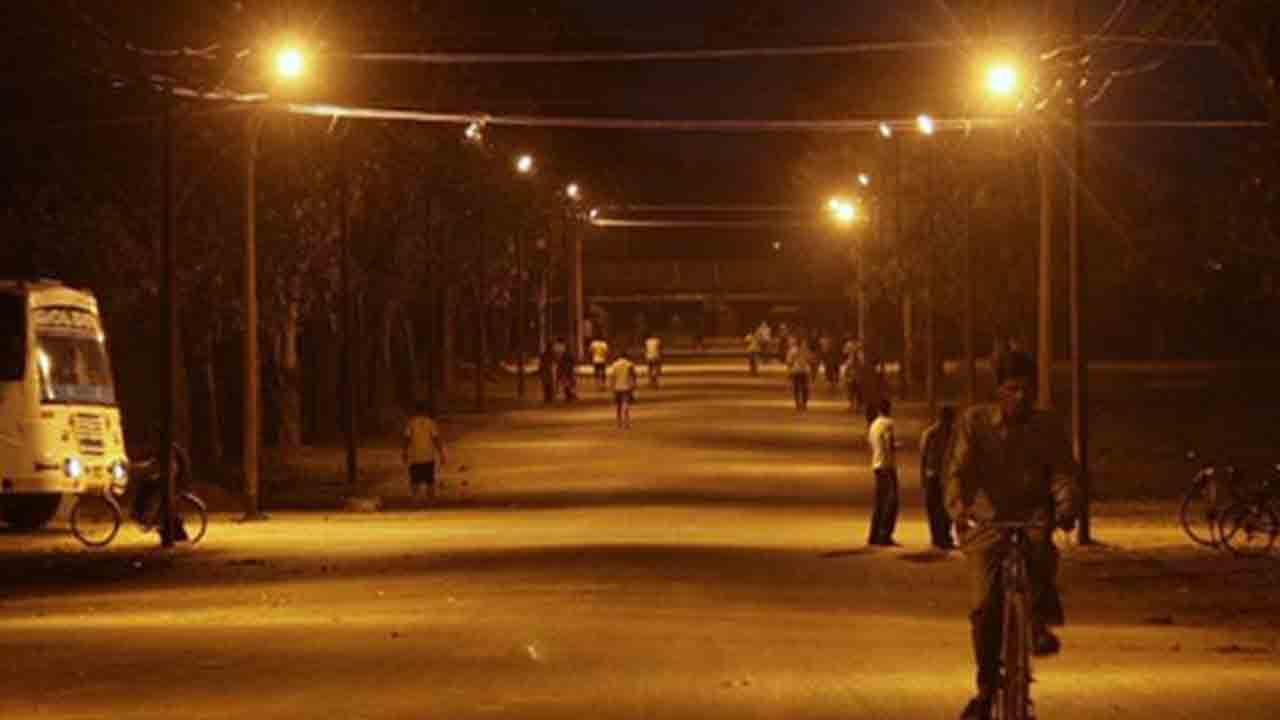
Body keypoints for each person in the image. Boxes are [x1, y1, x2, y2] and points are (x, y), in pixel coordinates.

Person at [946, 350, 1080, 720]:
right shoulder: (975, 424)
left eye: (1027, 389)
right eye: (1013, 389)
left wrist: (1066, 506)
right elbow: (957, 472)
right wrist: (959, 509)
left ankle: (1037, 622)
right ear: (999, 391)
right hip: (988, 523)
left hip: (1032, 516)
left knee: (1042, 555)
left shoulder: (1047, 426)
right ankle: (986, 689)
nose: (1021, 396)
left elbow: (1062, 473)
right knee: (983, 605)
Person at [920, 405, 957, 550]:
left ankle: (941, 536)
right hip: (939, 475)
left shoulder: (931, 433)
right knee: (939, 507)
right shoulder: (936, 434)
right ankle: (940, 537)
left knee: (939, 507)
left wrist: (923, 476)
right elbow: (924, 457)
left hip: (937, 475)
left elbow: (923, 457)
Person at [866, 398, 899, 546]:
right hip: (887, 466)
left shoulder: (873, 425)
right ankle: (885, 535)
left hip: (877, 464)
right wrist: (894, 447)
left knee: (880, 502)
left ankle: (874, 535)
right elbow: (888, 442)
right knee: (892, 501)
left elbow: (872, 443)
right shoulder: (888, 423)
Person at [402, 401, 448, 504]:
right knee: (429, 478)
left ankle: (415, 498)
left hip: (415, 456)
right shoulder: (431, 423)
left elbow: (407, 439)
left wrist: (404, 451)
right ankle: (431, 499)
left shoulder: (411, 423)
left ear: (416, 411)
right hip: (428, 456)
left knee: (414, 478)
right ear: (425, 411)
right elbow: (436, 439)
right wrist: (441, 453)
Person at [606, 350, 639, 429]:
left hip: (617, 387)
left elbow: (612, 376)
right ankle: (626, 422)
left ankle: (619, 422)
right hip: (627, 387)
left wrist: (611, 386)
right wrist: (634, 384)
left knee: (618, 405)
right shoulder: (629, 364)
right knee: (626, 404)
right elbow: (634, 375)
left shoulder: (614, 364)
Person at [785, 338, 813, 411]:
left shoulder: (792, 350)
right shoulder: (805, 350)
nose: (805, 344)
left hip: (799, 371)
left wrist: (789, 370)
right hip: (801, 371)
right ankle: (802, 404)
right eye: (804, 343)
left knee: (799, 388)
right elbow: (811, 361)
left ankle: (800, 404)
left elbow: (789, 361)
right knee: (803, 388)